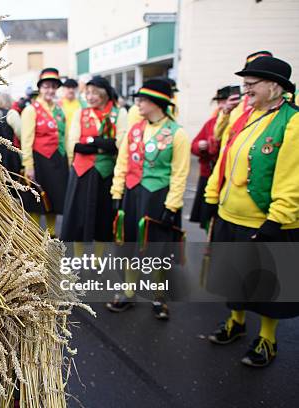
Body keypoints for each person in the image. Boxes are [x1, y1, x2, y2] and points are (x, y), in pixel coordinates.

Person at [203, 56, 299, 367]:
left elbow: (292, 176)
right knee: (234, 278)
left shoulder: (292, 121)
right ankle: (236, 322)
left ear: (275, 86)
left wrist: (278, 218)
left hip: (263, 219)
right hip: (230, 215)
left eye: (251, 85)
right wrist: (211, 196)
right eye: (244, 85)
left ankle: (267, 339)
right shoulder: (244, 117)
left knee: (267, 286)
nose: (245, 91)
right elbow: (225, 158)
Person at [107, 78, 190, 319]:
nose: (138, 104)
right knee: (129, 245)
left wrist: (172, 205)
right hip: (132, 195)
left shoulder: (178, 134)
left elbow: (180, 173)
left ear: (157, 103)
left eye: (142, 100)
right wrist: (116, 192)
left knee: (155, 251)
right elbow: (122, 162)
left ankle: (158, 296)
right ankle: (129, 292)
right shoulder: (135, 129)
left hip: (158, 198)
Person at [62, 76, 128, 247]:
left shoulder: (119, 113)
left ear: (104, 94)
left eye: (94, 93)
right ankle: (78, 261)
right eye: (87, 93)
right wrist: (103, 144)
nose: (89, 97)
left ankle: (97, 263)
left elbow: (120, 143)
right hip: (82, 172)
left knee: (103, 221)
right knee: (79, 221)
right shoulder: (80, 113)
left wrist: (91, 141)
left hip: (106, 173)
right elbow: (75, 145)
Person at [20, 68, 69, 235]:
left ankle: (52, 234)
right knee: (36, 200)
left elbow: (65, 136)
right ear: (40, 88)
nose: (50, 90)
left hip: (58, 161)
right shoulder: (31, 110)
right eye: (46, 86)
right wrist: (28, 165)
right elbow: (26, 140)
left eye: (53, 87)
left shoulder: (60, 110)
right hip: (39, 160)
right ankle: (33, 236)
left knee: (54, 200)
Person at [189, 86, 229, 230]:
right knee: (208, 218)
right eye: (219, 102)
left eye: (224, 101)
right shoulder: (211, 123)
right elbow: (193, 145)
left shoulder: (239, 122)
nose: (221, 105)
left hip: (227, 179)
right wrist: (200, 146)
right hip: (208, 175)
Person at [213, 51, 274, 146]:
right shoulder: (238, 104)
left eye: (254, 81)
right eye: (247, 83)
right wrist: (226, 112)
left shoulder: (288, 103)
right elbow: (218, 135)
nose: (248, 88)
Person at [60, 78, 86, 152]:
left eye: (73, 88)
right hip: (62, 141)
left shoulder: (83, 105)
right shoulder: (58, 105)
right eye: (68, 88)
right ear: (63, 89)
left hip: (78, 142)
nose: (71, 90)